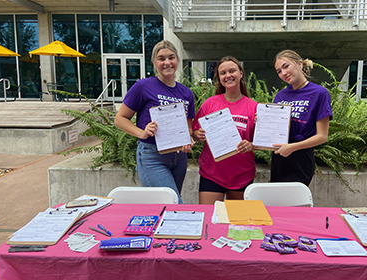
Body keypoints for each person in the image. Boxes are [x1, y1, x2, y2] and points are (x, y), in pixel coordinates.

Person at [114, 40, 195, 204]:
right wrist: (142, 132)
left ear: (177, 60)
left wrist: (188, 139)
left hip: (179, 157)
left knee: (168, 207)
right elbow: (120, 119)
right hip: (152, 155)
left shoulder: (186, 93)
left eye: (171, 57)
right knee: (174, 203)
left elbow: (188, 128)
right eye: (161, 59)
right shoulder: (143, 86)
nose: (167, 63)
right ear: (154, 62)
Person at [192, 56, 258, 204]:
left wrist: (250, 145)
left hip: (242, 174)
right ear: (219, 78)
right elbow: (194, 131)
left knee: (238, 224)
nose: (228, 75)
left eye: (232, 71)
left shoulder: (253, 107)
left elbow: (261, 141)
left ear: (241, 73)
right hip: (212, 173)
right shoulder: (209, 104)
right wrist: (198, 134)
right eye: (223, 73)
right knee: (209, 218)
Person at [271, 50, 332, 186]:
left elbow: (322, 136)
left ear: (299, 64)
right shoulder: (280, 96)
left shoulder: (319, 93)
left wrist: (292, 147)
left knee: (295, 202)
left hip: (301, 157)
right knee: (276, 203)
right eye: (279, 71)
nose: (283, 73)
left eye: (286, 66)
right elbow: (275, 129)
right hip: (279, 156)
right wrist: (263, 121)